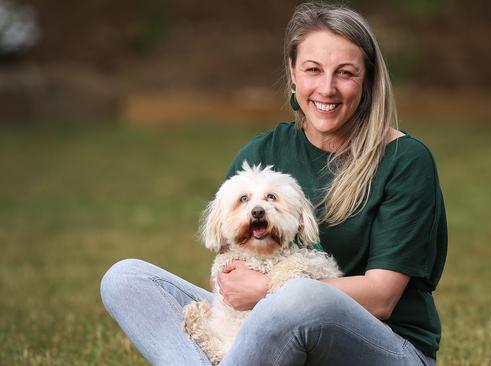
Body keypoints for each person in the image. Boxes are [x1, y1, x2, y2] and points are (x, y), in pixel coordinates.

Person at [100, 2, 447, 365]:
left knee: (298, 297)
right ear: (293, 74)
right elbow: (232, 271)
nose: (326, 88)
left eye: (345, 73)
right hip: (276, 344)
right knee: (125, 279)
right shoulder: (262, 152)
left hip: (385, 350)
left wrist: (269, 290)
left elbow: (381, 298)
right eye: (313, 70)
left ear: (369, 80)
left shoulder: (405, 161)